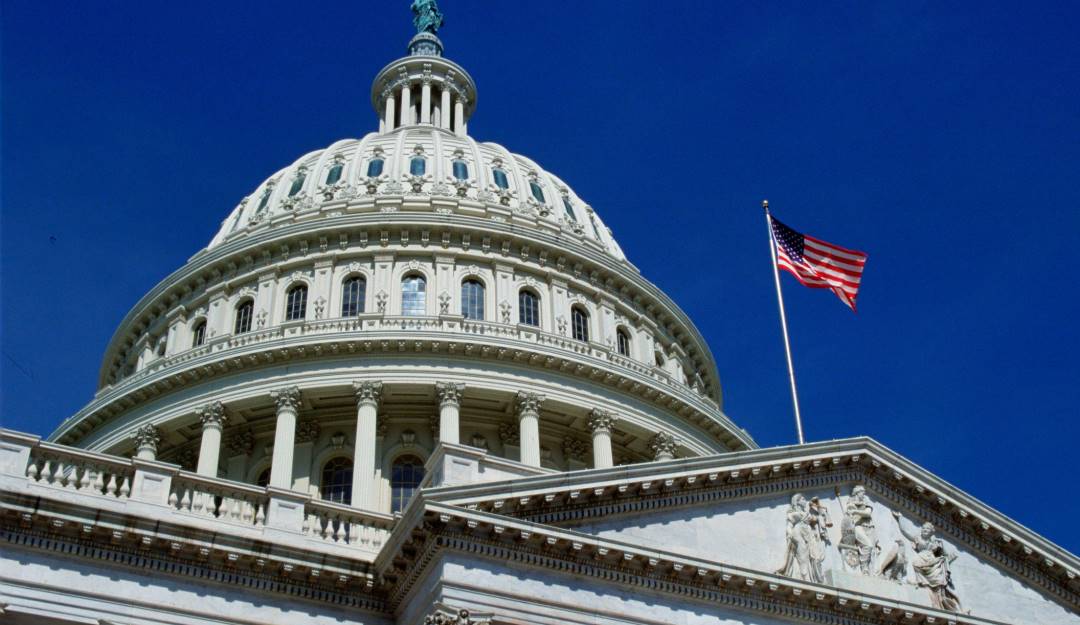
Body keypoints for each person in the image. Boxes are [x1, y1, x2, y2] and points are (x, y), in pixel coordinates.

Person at [892, 511, 963, 612]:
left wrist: (948, 557)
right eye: (923, 528)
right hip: (921, 559)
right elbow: (905, 531)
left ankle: (941, 601)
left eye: (927, 529)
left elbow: (942, 556)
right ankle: (922, 585)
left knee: (940, 570)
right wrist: (900, 518)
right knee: (916, 563)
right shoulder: (918, 539)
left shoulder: (935, 543)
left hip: (933, 561)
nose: (925, 530)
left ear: (931, 532)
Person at [777, 494, 829, 583]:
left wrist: (818, 505)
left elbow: (819, 518)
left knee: (815, 556)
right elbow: (789, 526)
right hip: (798, 533)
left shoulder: (808, 514)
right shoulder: (794, 514)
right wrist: (791, 536)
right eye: (803, 499)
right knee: (803, 558)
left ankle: (817, 579)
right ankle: (804, 578)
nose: (805, 501)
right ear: (797, 502)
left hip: (809, 534)